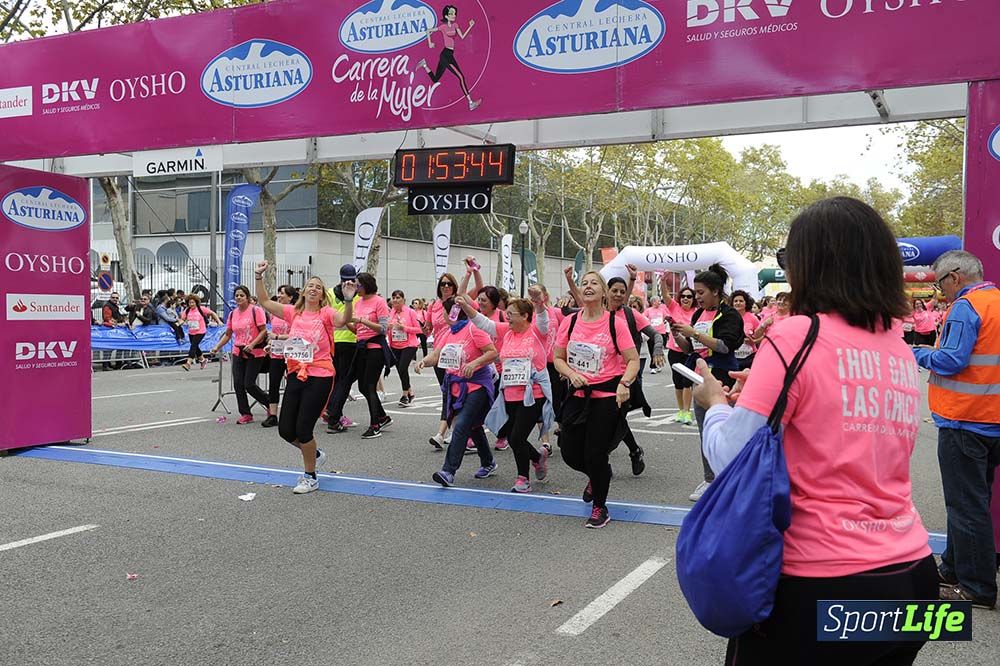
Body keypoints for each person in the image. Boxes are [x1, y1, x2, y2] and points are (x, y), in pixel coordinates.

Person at [696, 196, 935, 663]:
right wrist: (768, 393)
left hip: (821, 584)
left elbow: (731, 458)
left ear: (813, 265)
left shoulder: (794, 335)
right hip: (915, 580)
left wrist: (716, 406)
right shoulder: (898, 346)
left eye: (790, 258)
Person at [913, 249, 1000, 609]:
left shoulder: (967, 307)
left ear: (955, 277)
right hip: (991, 421)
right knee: (971, 502)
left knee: (966, 506)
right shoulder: (995, 302)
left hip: (964, 419)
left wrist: (914, 353)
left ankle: (976, 586)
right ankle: (952, 567)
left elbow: (951, 360)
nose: (940, 291)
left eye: (939, 282)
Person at [253, 262, 356, 494]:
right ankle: (315, 454)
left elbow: (343, 321)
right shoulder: (294, 313)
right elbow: (265, 302)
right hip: (295, 373)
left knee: (304, 429)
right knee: (286, 430)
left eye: (318, 287)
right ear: (303, 291)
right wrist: (258, 277)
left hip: (320, 375)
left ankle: (310, 476)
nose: (314, 289)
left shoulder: (327, 313)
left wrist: (349, 300)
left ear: (322, 295)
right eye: (310, 285)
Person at [554, 271, 640, 529]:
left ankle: (600, 507)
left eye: (594, 283)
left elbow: (633, 360)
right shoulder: (569, 323)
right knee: (569, 452)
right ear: (579, 292)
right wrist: (571, 373)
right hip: (578, 396)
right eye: (584, 283)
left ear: (603, 293)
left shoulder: (616, 323)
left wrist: (625, 383)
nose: (588, 286)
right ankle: (599, 473)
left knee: (595, 452)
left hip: (606, 398)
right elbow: (558, 358)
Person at [458, 288, 552, 492]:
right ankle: (536, 458)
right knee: (512, 435)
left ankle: (522, 479)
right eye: (506, 314)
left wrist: (539, 304)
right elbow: (484, 323)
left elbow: (544, 321)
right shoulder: (506, 332)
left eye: (511, 314)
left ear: (525, 316)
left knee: (517, 437)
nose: (506, 317)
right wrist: (466, 307)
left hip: (533, 394)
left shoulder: (536, 330)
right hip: (509, 393)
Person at [670, 264, 744, 502]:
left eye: (700, 292)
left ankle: (732, 481)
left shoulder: (730, 315)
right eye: (695, 292)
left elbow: (725, 346)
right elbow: (689, 348)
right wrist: (678, 334)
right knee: (706, 431)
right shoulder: (697, 315)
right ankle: (710, 479)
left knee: (729, 432)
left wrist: (695, 334)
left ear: (715, 291)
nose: (697, 297)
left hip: (724, 380)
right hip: (699, 378)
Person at [417, 297, 499, 488]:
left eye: (444, 311)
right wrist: (424, 362)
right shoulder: (448, 332)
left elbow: (492, 352)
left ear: (452, 312)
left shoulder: (473, 328)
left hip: (477, 385)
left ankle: (448, 471)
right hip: (456, 386)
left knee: (461, 424)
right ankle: (488, 462)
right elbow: (436, 355)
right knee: (473, 426)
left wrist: (474, 363)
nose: (442, 315)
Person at [210, 286, 269, 424]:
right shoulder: (233, 314)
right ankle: (246, 413)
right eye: (236, 295)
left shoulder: (256, 311)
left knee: (249, 384)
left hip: (255, 352)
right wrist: (217, 347)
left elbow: (263, 331)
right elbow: (228, 334)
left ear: (247, 297)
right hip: (238, 351)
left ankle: (269, 403)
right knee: (238, 384)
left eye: (242, 295)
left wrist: (253, 344)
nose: (239, 298)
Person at [352, 272, 393, 439]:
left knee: (370, 385)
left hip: (376, 347)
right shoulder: (358, 302)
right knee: (362, 386)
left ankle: (374, 425)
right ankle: (382, 417)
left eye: (358, 285)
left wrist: (362, 321)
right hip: (361, 346)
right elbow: (357, 329)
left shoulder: (379, 301)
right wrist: (348, 323)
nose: (356, 288)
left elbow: (383, 328)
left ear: (366, 285)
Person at [417, 5, 481, 111]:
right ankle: (470, 103)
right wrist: (430, 43)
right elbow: (428, 31)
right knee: (461, 77)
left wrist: (470, 26)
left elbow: (462, 36)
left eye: (454, 13)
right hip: (446, 55)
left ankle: (424, 65)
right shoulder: (443, 27)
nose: (454, 15)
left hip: (449, 54)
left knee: (435, 79)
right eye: (451, 13)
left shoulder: (455, 25)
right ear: (446, 16)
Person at [325, 265, 362, 434]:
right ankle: (334, 414)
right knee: (344, 380)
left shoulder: (330, 293)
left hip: (333, 341)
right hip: (350, 340)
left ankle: (331, 411)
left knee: (338, 378)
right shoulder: (355, 293)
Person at [424, 273, 459, 449]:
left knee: (451, 393)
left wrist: (470, 272)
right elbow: (428, 328)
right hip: (438, 354)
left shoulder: (457, 303)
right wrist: (425, 328)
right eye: (443, 284)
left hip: (454, 353)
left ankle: (443, 433)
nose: (446, 287)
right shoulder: (434, 305)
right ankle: (453, 429)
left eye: (449, 284)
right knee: (446, 392)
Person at [261, 285, 299, 428]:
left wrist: (278, 336)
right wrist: (270, 343)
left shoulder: (296, 313)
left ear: (290, 297)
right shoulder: (274, 314)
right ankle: (272, 415)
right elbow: (272, 333)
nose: (280, 295)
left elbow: (297, 335)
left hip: (292, 354)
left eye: (282, 293)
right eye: (279, 293)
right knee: (274, 384)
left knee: (292, 385)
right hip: (276, 354)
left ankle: (293, 413)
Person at [661, 282, 698, 425]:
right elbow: (665, 295)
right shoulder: (674, 307)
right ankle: (681, 410)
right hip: (674, 351)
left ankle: (688, 411)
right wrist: (663, 280)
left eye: (689, 296)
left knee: (687, 382)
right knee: (677, 382)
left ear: (693, 299)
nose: (685, 299)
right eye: (683, 296)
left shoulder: (697, 312)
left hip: (689, 351)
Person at [389, 290, 422, 407]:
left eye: (398, 297)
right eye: (393, 297)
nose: (395, 300)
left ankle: (404, 395)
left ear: (403, 300)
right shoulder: (391, 312)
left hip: (409, 345)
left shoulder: (410, 312)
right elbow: (389, 329)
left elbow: (419, 330)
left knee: (403, 367)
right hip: (395, 345)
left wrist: (404, 328)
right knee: (400, 370)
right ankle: (411, 393)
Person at [179, 294, 221, 371]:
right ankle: (203, 360)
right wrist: (178, 323)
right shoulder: (187, 311)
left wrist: (218, 321)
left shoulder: (201, 309)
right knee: (195, 346)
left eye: (193, 302)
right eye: (190, 303)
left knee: (193, 346)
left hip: (201, 331)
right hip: (191, 331)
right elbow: (182, 319)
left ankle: (188, 363)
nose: (191, 304)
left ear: (196, 302)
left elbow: (212, 313)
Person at [731, 290, 760, 370]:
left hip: (750, 357)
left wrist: (754, 341)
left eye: (741, 301)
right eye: (735, 301)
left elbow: (762, 335)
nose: (738, 303)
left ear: (746, 303)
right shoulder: (729, 318)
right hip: (733, 356)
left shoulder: (753, 318)